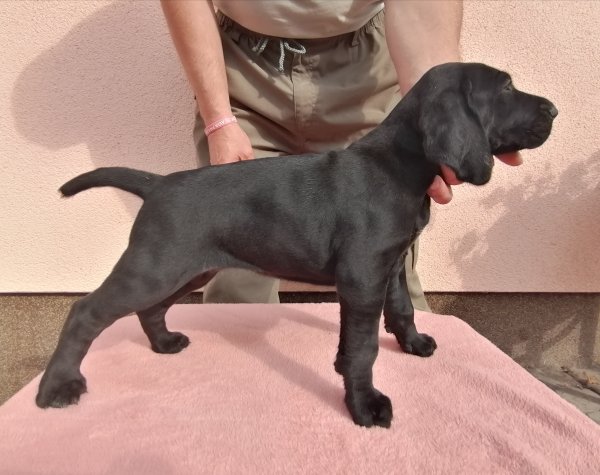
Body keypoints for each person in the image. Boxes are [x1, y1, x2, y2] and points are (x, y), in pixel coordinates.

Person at [160, 0, 521, 311]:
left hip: (365, 82)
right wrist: (219, 120)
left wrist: (441, 113)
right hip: (244, 77)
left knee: (386, 271)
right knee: (237, 281)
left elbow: (423, 13)